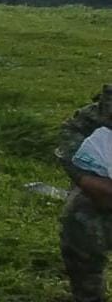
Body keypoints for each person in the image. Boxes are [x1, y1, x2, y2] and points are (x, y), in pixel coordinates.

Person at [57, 84, 112, 302]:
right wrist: (84, 178)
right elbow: (71, 133)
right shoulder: (100, 112)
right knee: (79, 217)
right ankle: (88, 295)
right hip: (104, 195)